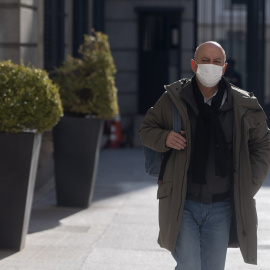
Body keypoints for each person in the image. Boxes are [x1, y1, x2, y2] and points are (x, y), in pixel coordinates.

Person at [139, 41, 270, 270]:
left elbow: (262, 142)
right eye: (205, 61)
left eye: (216, 62)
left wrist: (248, 185)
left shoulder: (242, 104)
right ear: (193, 64)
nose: (211, 66)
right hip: (182, 202)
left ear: (224, 67)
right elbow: (146, 129)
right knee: (189, 264)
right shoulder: (173, 98)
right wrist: (165, 138)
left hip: (221, 206)